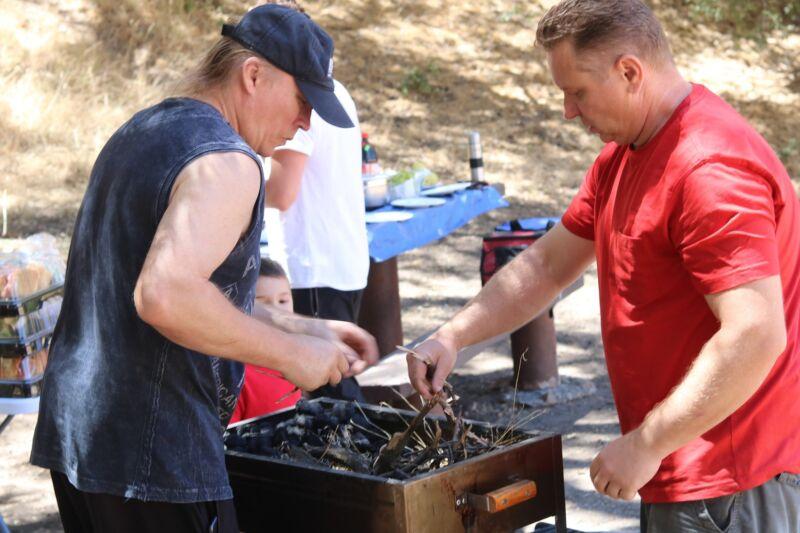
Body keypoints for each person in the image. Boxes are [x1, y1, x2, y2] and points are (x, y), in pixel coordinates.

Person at [407, 1, 800, 531]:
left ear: (630, 72)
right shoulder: (624, 153)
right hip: (680, 467)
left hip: (730, 486)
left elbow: (755, 334)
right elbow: (545, 268)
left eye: (578, 92)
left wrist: (647, 442)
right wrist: (453, 337)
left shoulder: (710, 168)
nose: (569, 111)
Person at [30, 5, 378, 533]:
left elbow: (189, 291)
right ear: (253, 75)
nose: (305, 123)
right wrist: (291, 355)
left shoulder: (144, 128)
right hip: (156, 458)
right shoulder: (227, 162)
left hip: (80, 443)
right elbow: (164, 296)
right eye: (303, 101)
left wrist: (301, 326)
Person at [268, 77, 370, 402]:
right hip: (340, 259)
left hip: (311, 265)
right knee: (333, 384)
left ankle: (381, 450)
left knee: (331, 392)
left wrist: (231, 179)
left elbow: (281, 193)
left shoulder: (297, 101)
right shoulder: (338, 89)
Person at [230, 258, 301, 423]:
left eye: (283, 301)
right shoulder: (235, 373)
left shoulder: (295, 359)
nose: (277, 310)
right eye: (263, 304)